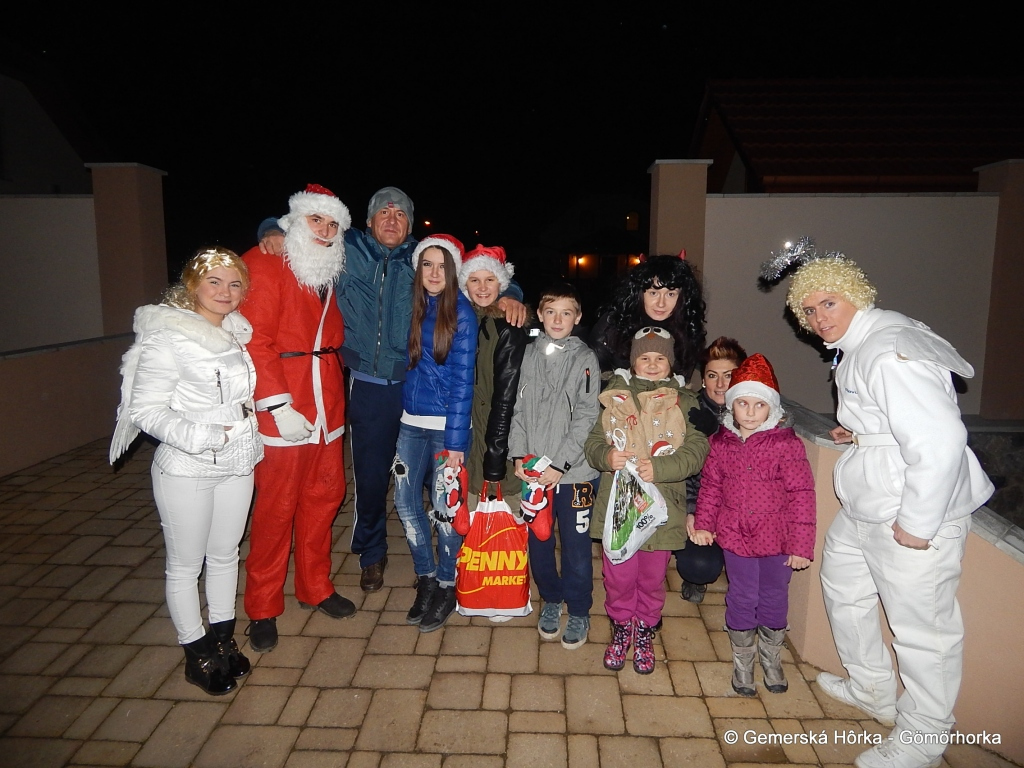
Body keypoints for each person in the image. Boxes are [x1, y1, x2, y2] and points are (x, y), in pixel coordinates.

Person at [764, 239, 994, 768]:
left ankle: (924, 736)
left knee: (922, 628)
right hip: (872, 498)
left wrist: (919, 522)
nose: (819, 318)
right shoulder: (865, 340)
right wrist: (863, 430)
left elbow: (939, 440)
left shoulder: (888, 350)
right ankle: (872, 687)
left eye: (829, 303)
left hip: (908, 508)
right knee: (843, 586)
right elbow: (895, 414)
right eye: (809, 309)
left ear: (856, 295)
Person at [261, 188, 526, 593]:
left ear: (410, 225)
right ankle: (372, 553)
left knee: (433, 480)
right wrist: (269, 229)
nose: (391, 219)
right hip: (368, 386)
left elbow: (473, 270)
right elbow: (302, 227)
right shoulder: (347, 247)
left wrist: (511, 294)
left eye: (400, 214)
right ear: (368, 221)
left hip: (416, 382)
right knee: (370, 478)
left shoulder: (420, 257)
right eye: (383, 213)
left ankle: (445, 555)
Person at [110, 247, 262, 695]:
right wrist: (204, 436)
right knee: (185, 565)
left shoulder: (234, 332)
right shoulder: (168, 336)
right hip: (186, 466)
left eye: (234, 284)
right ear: (193, 284)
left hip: (237, 461)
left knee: (226, 554)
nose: (225, 292)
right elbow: (145, 410)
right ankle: (196, 654)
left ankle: (222, 639)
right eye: (214, 281)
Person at [241, 184, 355, 654]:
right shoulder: (264, 262)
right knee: (276, 508)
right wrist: (275, 404)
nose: (325, 231)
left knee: (324, 497)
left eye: (333, 224)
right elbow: (254, 338)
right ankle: (262, 606)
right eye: (316, 220)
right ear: (294, 221)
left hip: (327, 400)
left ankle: (315, 586)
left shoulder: (328, 267)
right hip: (286, 404)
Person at [585, 328, 710, 673]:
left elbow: (697, 449)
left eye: (660, 358)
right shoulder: (614, 396)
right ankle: (622, 624)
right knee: (618, 576)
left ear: (670, 363)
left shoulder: (685, 401)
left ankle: (645, 627)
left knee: (652, 578)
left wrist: (661, 467)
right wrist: (605, 456)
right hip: (619, 508)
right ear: (633, 361)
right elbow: (593, 441)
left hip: (662, 510)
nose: (652, 364)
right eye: (644, 357)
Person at [691, 353, 815, 697]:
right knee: (742, 596)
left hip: (777, 540)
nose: (749, 412)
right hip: (736, 537)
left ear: (771, 407)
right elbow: (711, 487)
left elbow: (802, 496)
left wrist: (801, 546)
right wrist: (704, 524)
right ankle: (743, 662)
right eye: (742, 403)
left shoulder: (787, 445)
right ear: (731, 405)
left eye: (758, 405)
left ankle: (771, 658)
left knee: (774, 596)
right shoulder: (720, 444)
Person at [508, 283, 601, 649]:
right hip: (535, 471)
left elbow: (587, 415)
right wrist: (519, 454)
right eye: (551, 312)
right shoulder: (528, 354)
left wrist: (561, 464)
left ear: (577, 317)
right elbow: (517, 408)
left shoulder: (585, 359)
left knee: (576, 546)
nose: (558, 320)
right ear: (540, 315)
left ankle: (578, 608)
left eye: (566, 313)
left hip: (574, 474)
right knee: (539, 541)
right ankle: (551, 598)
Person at [395, 234, 478, 633]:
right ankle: (426, 576)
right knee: (405, 502)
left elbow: (464, 381)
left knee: (446, 510)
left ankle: (448, 583)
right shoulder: (415, 306)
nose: (433, 272)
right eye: (426, 264)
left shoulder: (462, 313)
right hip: (411, 422)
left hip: (447, 429)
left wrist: (456, 442)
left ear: (453, 270)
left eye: (442, 265)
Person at [673, 336, 746, 604]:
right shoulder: (689, 410)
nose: (720, 384)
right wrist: (691, 512)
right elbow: (684, 471)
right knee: (700, 566)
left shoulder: (753, 410)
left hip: (737, 508)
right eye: (712, 375)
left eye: (729, 376)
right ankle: (694, 571)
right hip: (699, 503)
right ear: (703, 379)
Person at [460, 244, 529, 507]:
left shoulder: (507, 327)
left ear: (501, 283)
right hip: (472, 441)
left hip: (497, 449)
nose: (482, 287)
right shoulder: (466, 319)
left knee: (504, 519)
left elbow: (505, 401)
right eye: (474, 280)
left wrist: (495, 463)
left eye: (490, 279)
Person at [590, 253, 706, 380]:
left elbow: (683, 379)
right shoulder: (612, 325)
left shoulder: (689, 328)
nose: (661, 303)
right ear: (639, 293)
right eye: (653, 293)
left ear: (683, 297)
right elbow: (595, 376)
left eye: (670, 294)